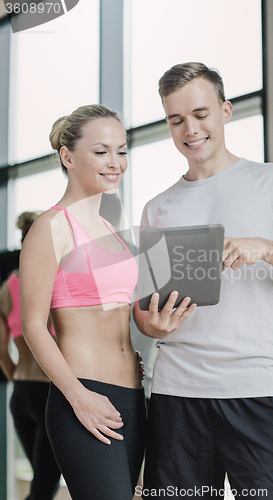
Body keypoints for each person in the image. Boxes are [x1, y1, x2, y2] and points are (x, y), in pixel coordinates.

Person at [133, 62, 273, 500]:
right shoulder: (157, 207)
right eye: (176, 120)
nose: (190, 129)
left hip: (255, 389)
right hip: (176, 394)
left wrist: (265, 248)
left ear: (226, 111)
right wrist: (151, 325)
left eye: (201, 114)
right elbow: (144, 308)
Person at [20, 105, 170, 500]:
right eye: (102, 151)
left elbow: (124, 316)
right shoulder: (51, 225)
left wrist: (157, 322)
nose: (116, 162)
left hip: (132, 396)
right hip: (83, 393)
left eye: (122, 151)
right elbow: (34, 325)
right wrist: (78, 396)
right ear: (68, 157)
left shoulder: (111, 231)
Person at [0, 211, 61, 500]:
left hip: (21, 394)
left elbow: (1, 351)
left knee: (41, 481)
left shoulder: (6, 288)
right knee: (44, 486)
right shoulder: (51, 280)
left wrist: (18, 382)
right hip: (49, 393)